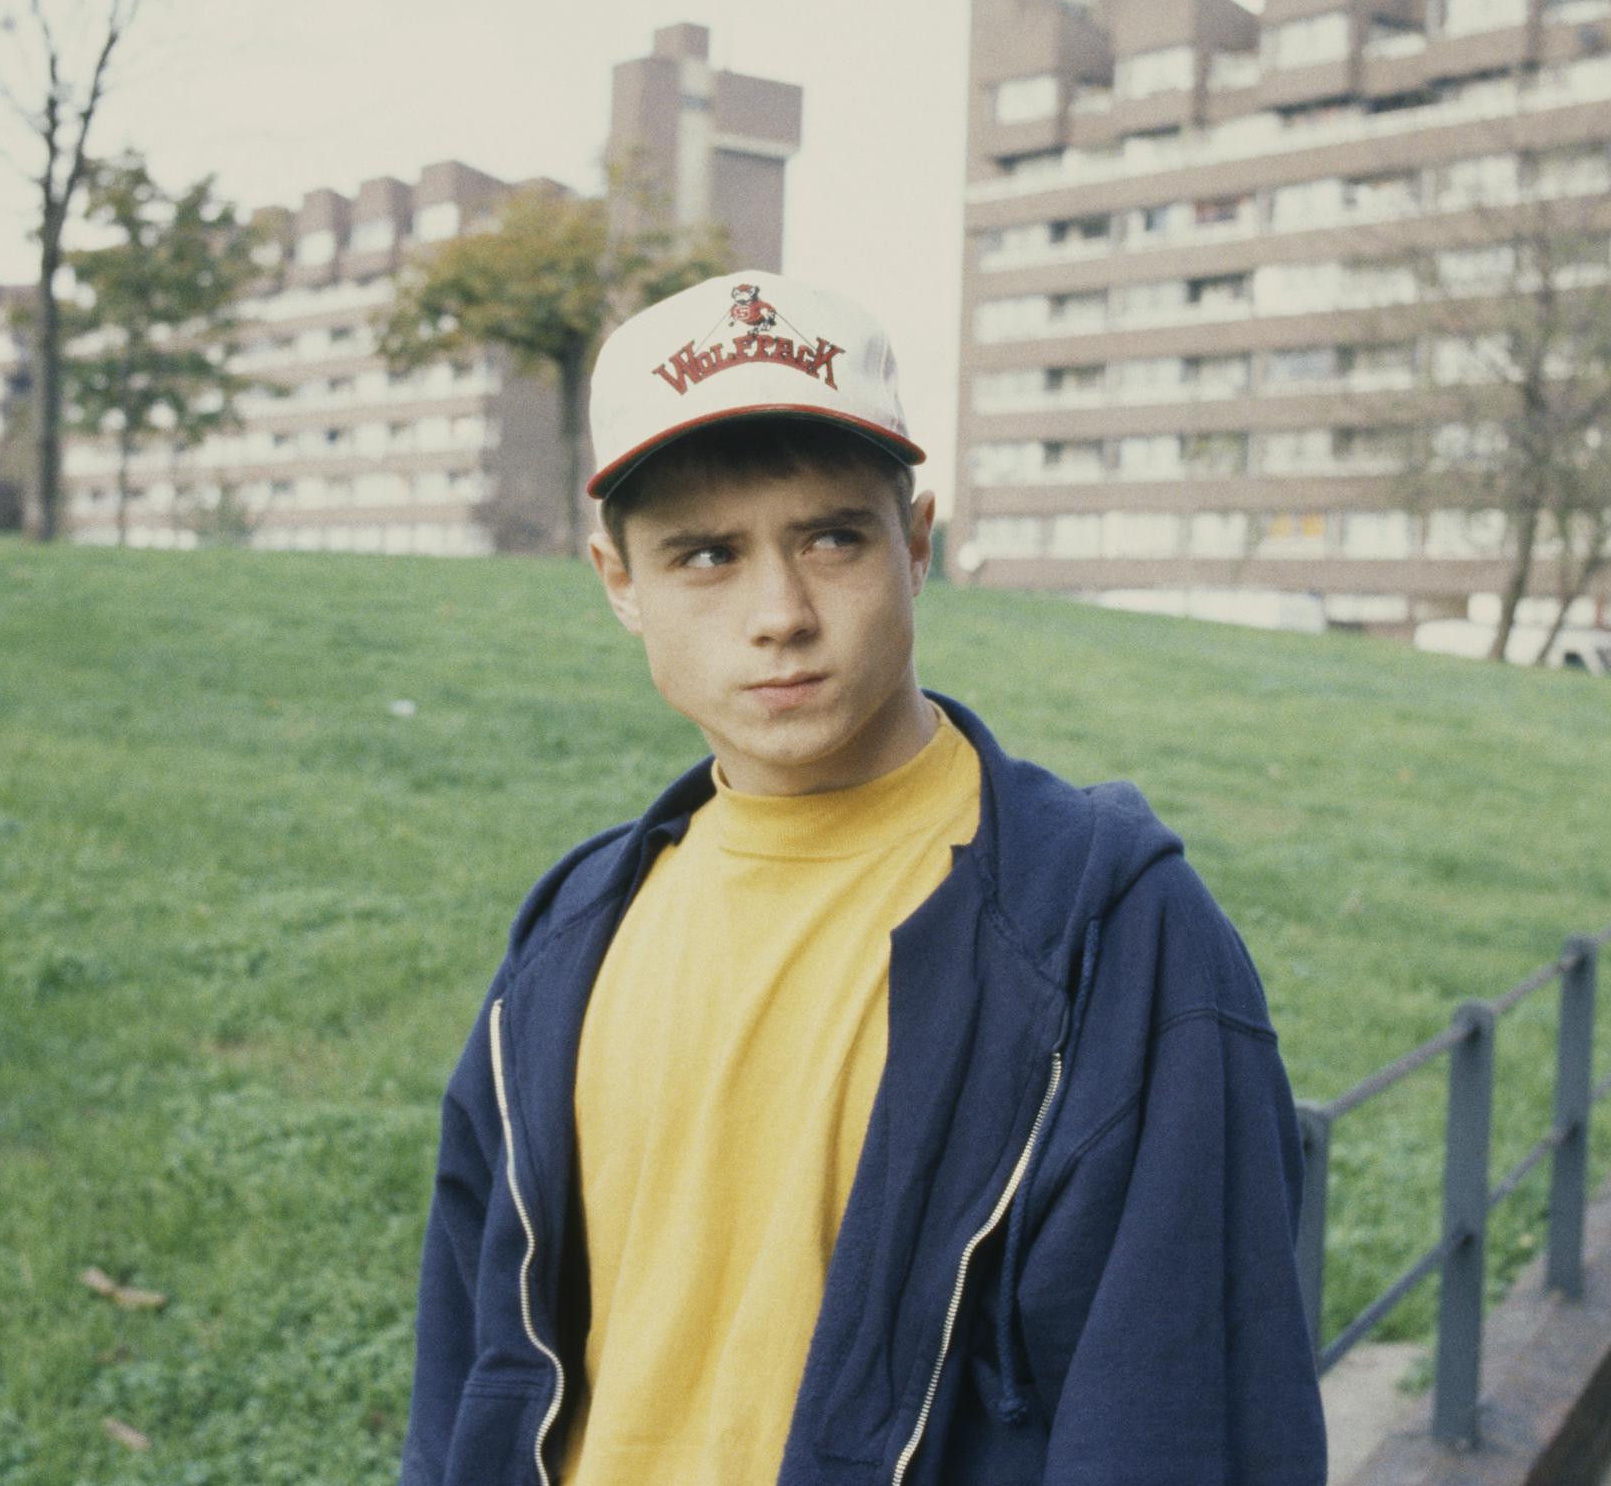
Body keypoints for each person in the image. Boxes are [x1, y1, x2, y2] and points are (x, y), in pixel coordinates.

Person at [401, 270, 1327, 1485]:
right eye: (705, 554)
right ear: (618, 582)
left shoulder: (1103, 931)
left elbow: (1185, 1420)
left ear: (917, 542)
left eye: (831, 535)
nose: (779, 612)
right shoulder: (572, 938)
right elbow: (471, 1375)